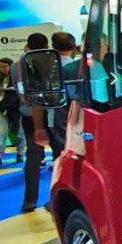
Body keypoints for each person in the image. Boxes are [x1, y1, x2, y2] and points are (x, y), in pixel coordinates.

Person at [11, 32, 51, 212]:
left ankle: (30, 200)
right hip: (52, 112)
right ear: (47, 45)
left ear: (28, 45)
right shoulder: (51, 62)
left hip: (28, 114)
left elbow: (18, 91)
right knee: (61, 154)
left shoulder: (16, 66)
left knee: (33, 158)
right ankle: (56, 199)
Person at [48, 31, 79, 161]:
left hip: (56, 117)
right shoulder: (78, 68)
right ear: (73, 47)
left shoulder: (50, 68)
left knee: (59, 155)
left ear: (53, 47)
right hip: (75, 118)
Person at [0, 58, 22, 166]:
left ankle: (20, 154)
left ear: (11, 66)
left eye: (4, 66)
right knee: (1, 133)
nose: (2, 69)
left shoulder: (18, 77)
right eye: (0, 66)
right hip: (2, 109)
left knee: (20, 133)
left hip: (17, 109)